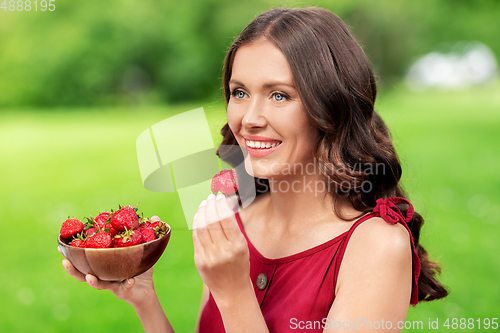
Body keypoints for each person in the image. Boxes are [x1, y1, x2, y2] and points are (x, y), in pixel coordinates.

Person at [59, 7, 448, 332]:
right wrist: (144, 300)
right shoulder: (236, 215)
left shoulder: (378, 246)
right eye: (239, 92)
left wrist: (233, 292)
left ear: (330, 108)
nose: (249, 118)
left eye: (279, 95)